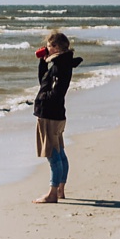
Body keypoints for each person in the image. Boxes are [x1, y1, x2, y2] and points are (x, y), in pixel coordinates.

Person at [32, 31, 83, 203]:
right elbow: (44, 82)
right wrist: (42, 63)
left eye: (49, 45)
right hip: (57, 114)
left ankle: (53, 192)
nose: (46, 47)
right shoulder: (61, 63)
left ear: (56, 47)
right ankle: (60, 189)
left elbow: (56, 91)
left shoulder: (61, 65)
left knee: (53, 154)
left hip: (50, 115)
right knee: (60, 153)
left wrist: (42, 99)